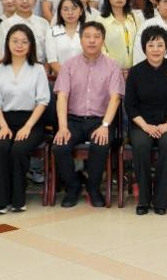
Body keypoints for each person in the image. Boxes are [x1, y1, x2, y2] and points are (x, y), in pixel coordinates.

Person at [51, 21, 124, 207]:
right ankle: (73, 185)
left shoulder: (112, 66)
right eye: (87, 36)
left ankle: (93, 187)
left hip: (100, 120)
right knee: (60, 146)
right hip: (73, 120)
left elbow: (115, 98)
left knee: (100, 144)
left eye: (96, 37)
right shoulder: (68, 65)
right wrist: (62, 127)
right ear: (81, 39)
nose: (92, 41)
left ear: (103, 40)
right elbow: (62, 97)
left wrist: (105, 126)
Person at [0, 24, 50, 214]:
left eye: (24, 41)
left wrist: (27, 127)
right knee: (1, 147)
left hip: (31, 121)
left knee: (19, 149)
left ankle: (18, 199)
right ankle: (1, 201)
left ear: (31, 45)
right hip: (3, 120)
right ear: (7, 43)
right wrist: (3, 127)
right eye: (15, 41)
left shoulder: (38, 69)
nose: (19, 45)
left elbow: (43, 101)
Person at [125, 26, 167, 215]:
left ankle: (160, 200)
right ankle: (143, 199)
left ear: (166, 48)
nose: (156, 49)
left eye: (160, 45)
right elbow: (130, 105)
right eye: (151, 45)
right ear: (144, 48)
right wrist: (146, 126)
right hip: (142, 125)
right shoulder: (135, 72)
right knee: (141, 145)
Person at [0, 0, 50, 64]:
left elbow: (49, 53)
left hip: (39, 68)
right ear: (14, 0)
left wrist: (44, 68)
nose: (25, 1)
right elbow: (2, 54)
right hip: (13, 67)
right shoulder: (5, 24)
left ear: (35, 0)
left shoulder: (44, 23)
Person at [98, 0, 144, 72]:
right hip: (111, 71)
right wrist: (115, 68)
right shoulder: (101, 20)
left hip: (135, 70)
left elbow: (141, 41)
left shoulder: (134, 17)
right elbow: (100, 47)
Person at [46, 0, 86, 75]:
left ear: (81, 11)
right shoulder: (52, 32)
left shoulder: (88, 31)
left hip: (86, 77)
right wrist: (68, 76)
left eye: (74, 8)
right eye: (65, 9)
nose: (70, 13)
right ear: (60, 12)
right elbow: (52, 60)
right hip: (60, 78)